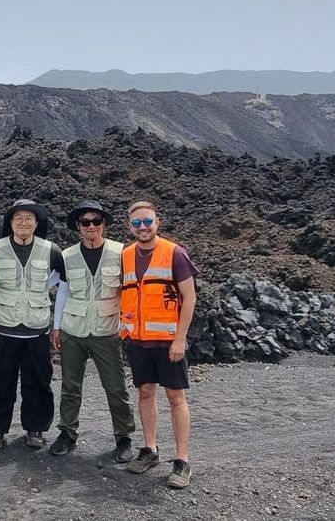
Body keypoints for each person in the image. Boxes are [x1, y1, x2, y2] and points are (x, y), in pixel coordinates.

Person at [48, 200, 136, 462]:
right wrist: (56, 326)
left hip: (106, 329)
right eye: (85, 222)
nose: (91, 226)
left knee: (116, 387)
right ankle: (67, 432)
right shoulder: (67, 256)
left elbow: (129, 292)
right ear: (78, 226)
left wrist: (127, 325)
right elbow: (62, 291)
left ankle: (123, 437)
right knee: (70, 385)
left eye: (96, 221)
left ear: (104, 224)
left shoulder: (121, 253)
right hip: (73, 329)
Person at [120, 200, 198, 489]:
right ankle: (150, 449)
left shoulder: (174, 253)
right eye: (137, 223)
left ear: (157, 222)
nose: (143, 227)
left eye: (147, 222)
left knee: (176, 398)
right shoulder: (126, 255)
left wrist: (180, 338)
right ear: (130, 226)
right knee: (145, 393)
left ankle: (182, 460)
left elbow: (189, 297)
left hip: (168, 342)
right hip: (139, 341)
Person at [0, 199, 64, 450]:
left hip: (36, 329)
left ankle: (35, 428)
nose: (24, 223)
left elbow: (64, 282)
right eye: (18, 219)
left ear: (37, 223)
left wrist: (55, 320)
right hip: (3, 327)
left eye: (29, 218)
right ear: (10, 223)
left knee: (38, 380)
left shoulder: (51, 250)